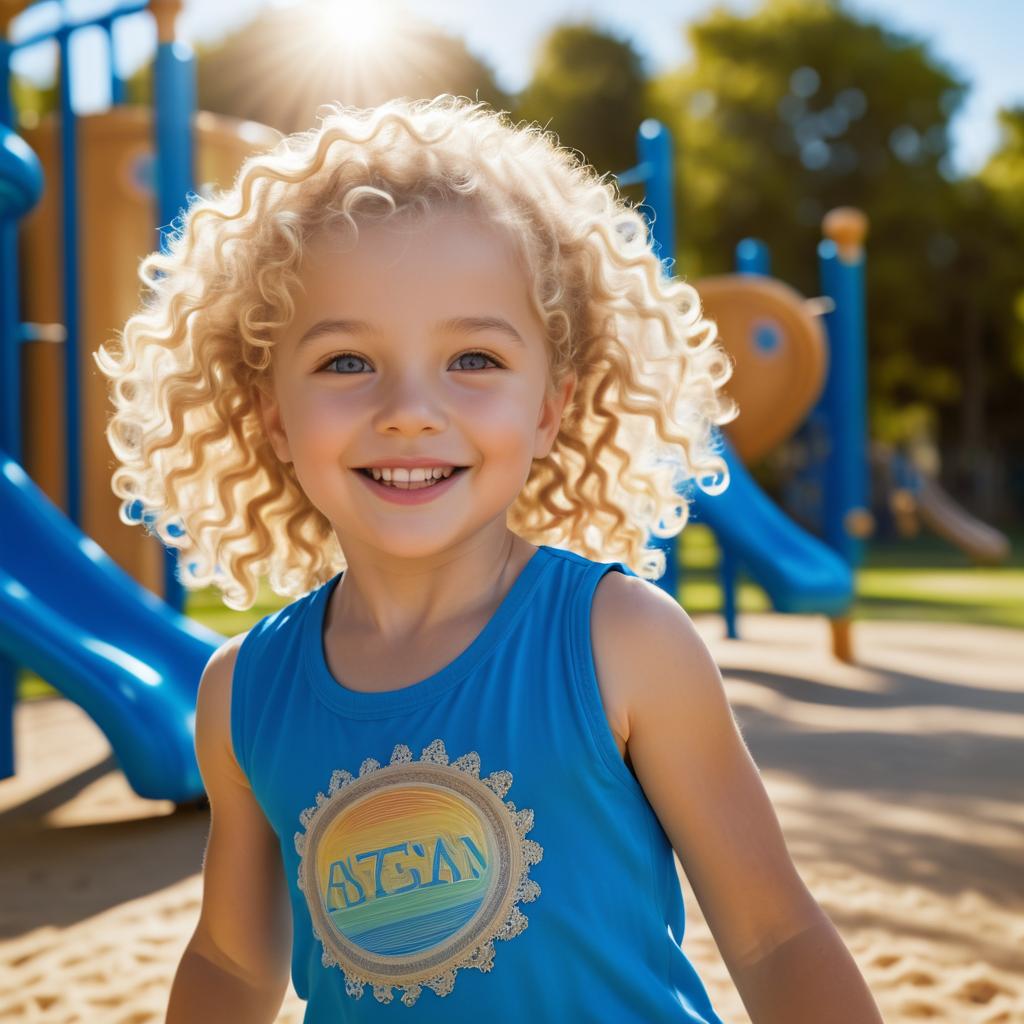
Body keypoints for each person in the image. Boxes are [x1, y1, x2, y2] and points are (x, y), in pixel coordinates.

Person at [95, 94, 883, 1023]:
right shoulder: (244, 691)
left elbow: (772, 935)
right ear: (271, 412)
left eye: (473, 358)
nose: (410, 409)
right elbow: (231, 963)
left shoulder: (620, 641)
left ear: (550, 406)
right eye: (347, 362)